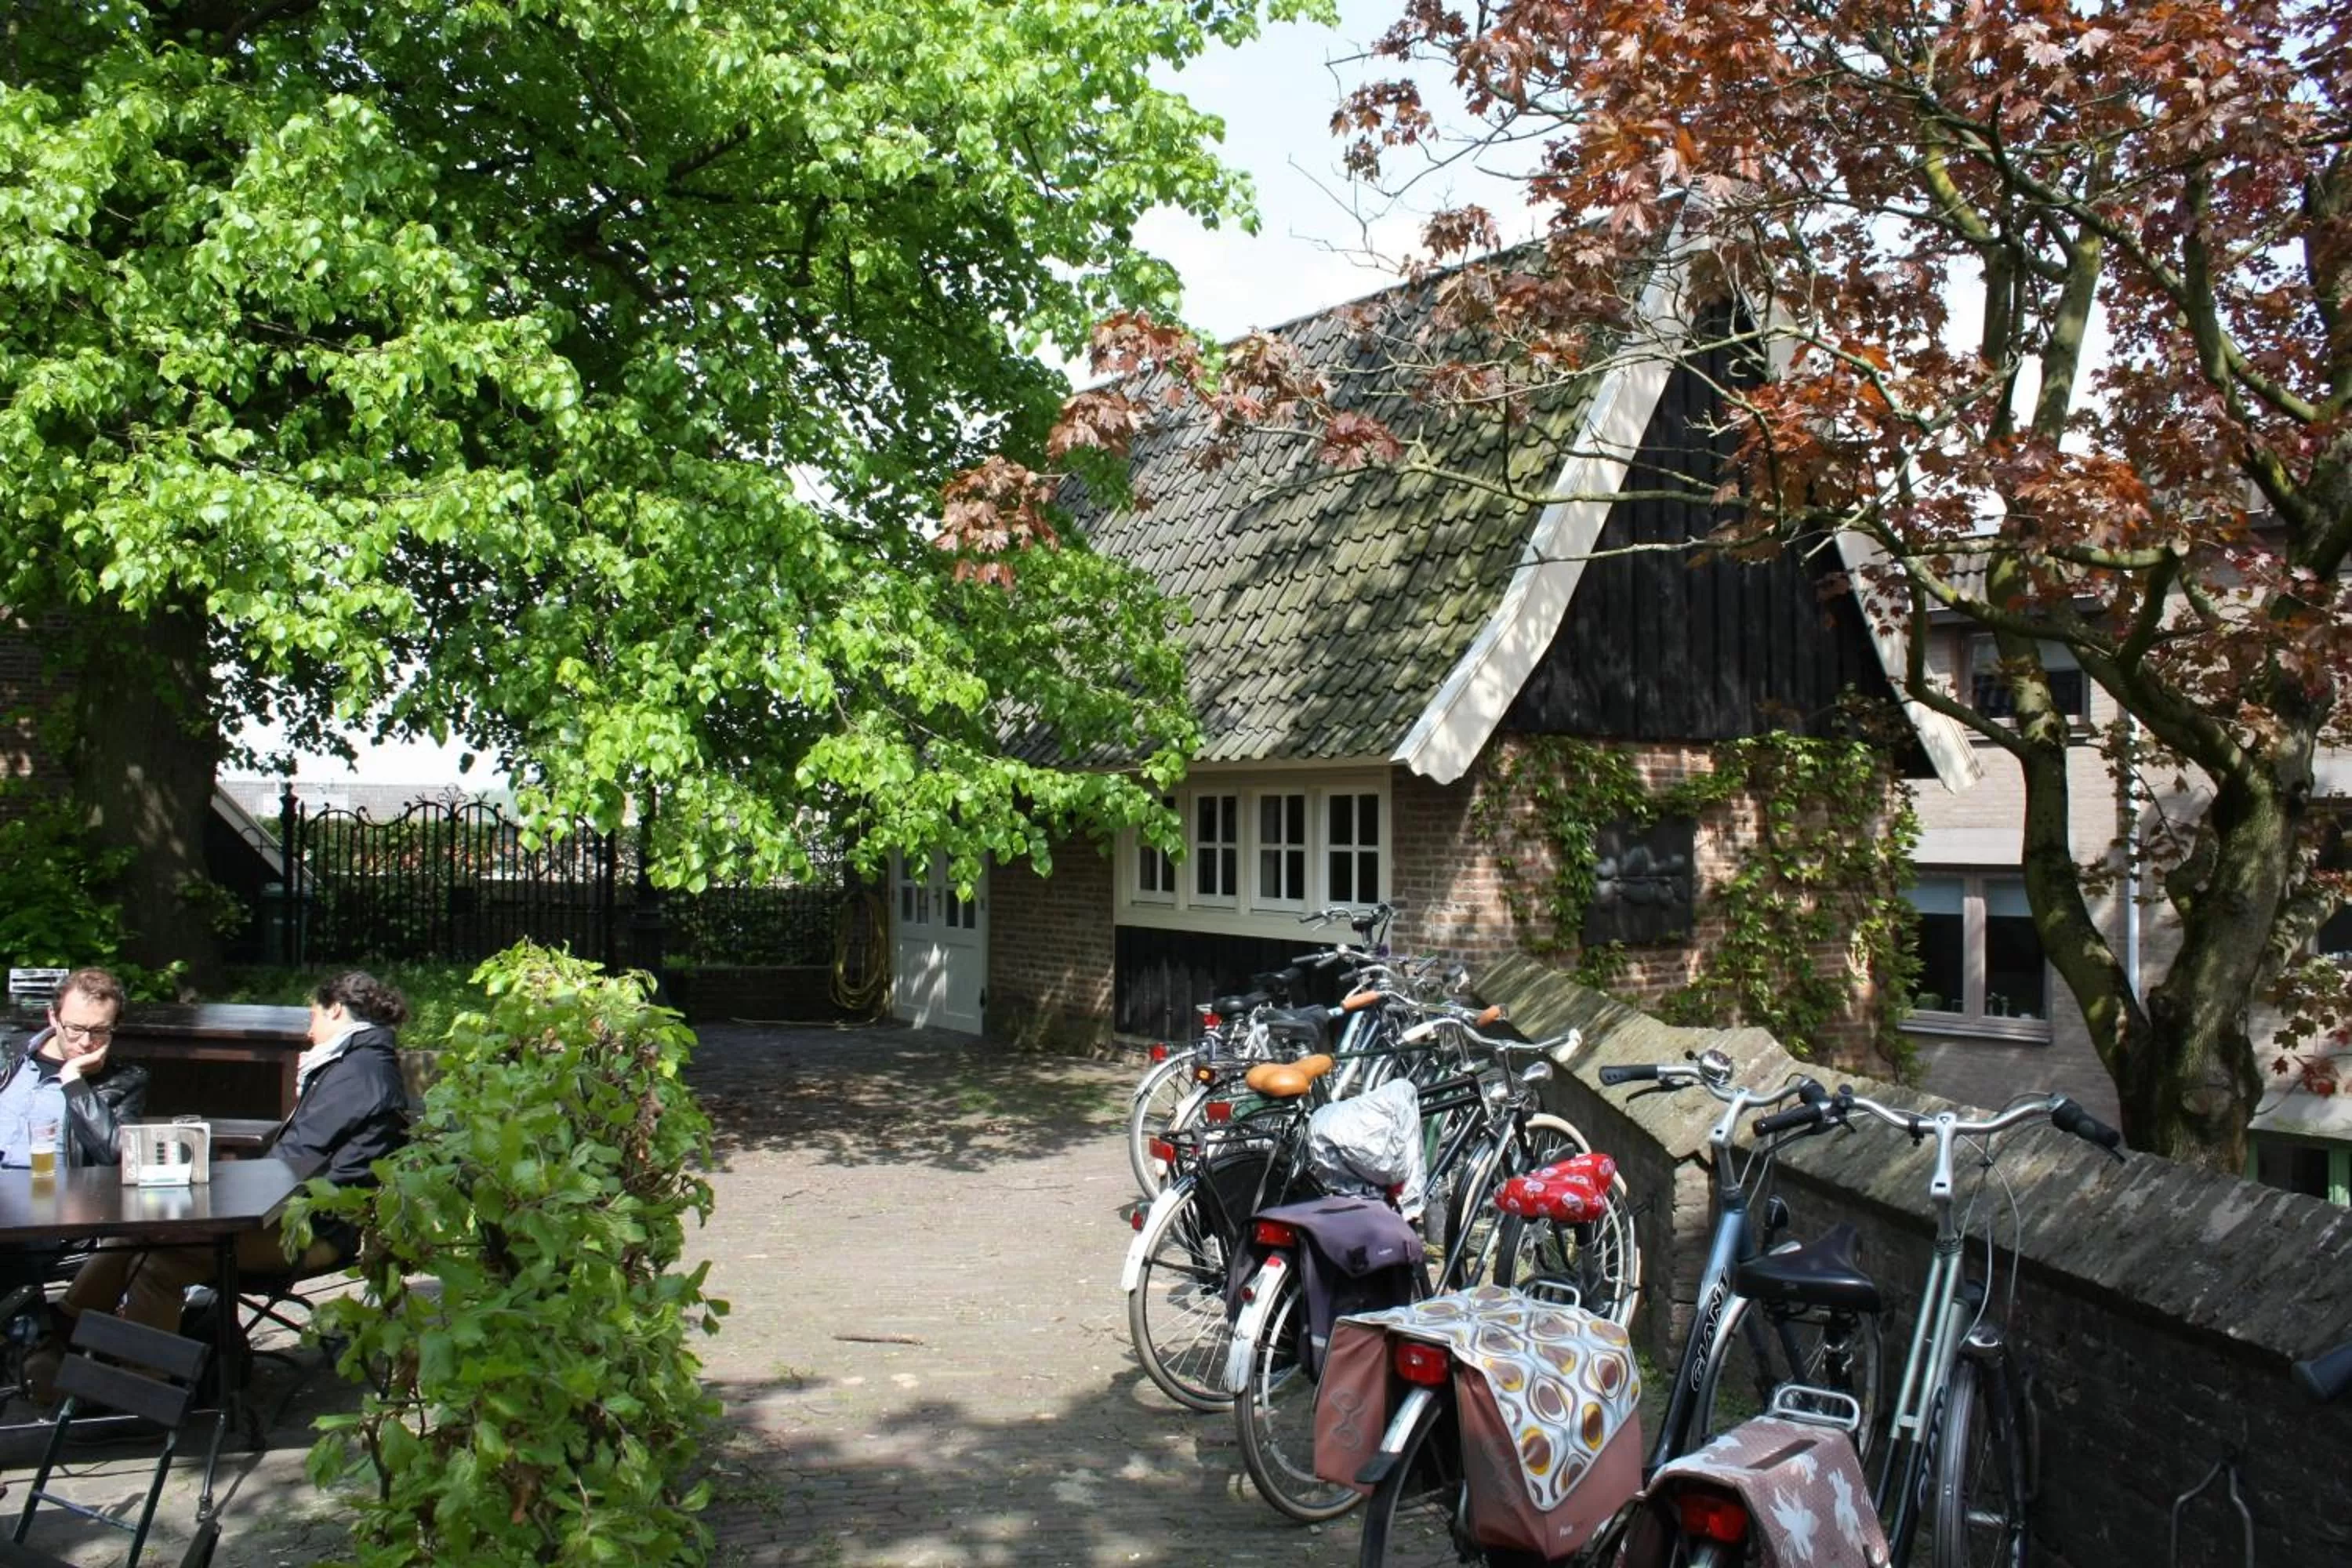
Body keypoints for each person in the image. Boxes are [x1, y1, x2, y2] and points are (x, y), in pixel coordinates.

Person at [53, 970, 412, 1342]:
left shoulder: (356, 1074)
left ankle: (112, 1358)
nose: (309, 1031)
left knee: (154, 1261)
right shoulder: (360, 1065)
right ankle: (67, 1341)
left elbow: (290, 1168)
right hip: (305, 1218)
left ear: (335, 1009)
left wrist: (210, 1203)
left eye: (313, 1016)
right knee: (136, 1239)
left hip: (315, 1232)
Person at [0, 967, 148, 1171]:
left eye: (100, 1030)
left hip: (51, 1187)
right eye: (75, 1029)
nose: (86, 1042)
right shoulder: (8, 1054)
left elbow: (116, 1152)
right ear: (53, 1017)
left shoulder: (124, 1081)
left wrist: (74, 1082)